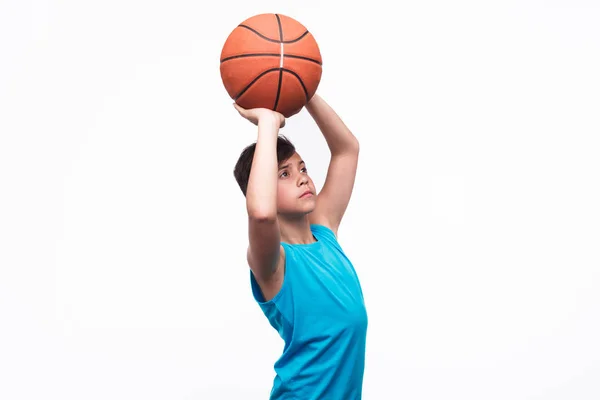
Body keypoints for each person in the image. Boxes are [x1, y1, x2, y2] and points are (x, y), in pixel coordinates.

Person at [232, 93, 368, 399]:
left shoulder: (325, 232)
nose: (302, 178)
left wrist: (304, 93)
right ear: (263, 186)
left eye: (302, 168)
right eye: (284, 173)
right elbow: (262, 213)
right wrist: (268, 123)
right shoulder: (273, 264)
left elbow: (348, 150)